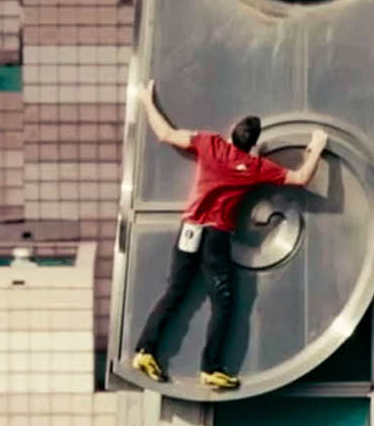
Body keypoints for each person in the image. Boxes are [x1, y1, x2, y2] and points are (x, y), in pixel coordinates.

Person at [129, 81, 327, 391]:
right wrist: (316, 147)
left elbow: (166, 134)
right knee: (223, 302)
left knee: (175, 291)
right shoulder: (254, 166)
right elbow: (301, 177)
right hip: (215, 238)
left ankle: (145, 351)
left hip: (190, 228)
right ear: (254, 143)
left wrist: (146, 100)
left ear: (232, 130)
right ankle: (211, 368)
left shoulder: (209, 144)